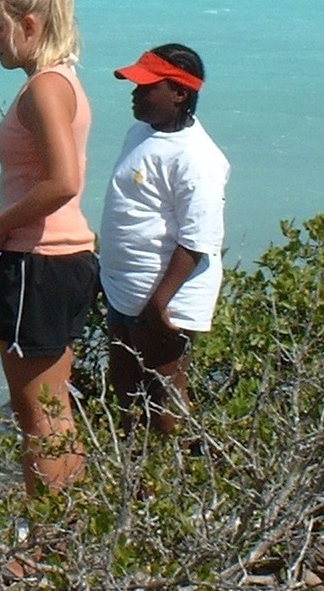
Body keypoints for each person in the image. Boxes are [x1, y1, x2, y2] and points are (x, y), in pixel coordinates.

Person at [0, 0, 99, 495]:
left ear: (29, 24)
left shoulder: (46, 87)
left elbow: (63, 181)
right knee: (56, 408)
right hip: (62, 260)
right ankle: (70, 532)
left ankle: (50, 538)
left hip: (38, 261)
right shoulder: (64, 80)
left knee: (38, 417)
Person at [99, 44, 230, 437]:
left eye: (147, 86)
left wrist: (159, 303)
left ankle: (172, 482)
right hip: (126, 290)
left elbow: (197, 240)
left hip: (165, 297)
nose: (135, 93)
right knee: (125, 393)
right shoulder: (139, 132)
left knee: (164, 396)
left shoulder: (197, 158)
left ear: (180, 93)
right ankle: (132, 485)